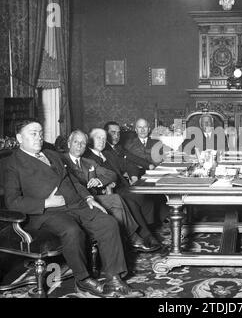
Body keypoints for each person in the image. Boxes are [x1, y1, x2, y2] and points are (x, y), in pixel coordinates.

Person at [3, 120, 142, 298]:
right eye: (33, 133)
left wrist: (89, 197)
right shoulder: (13, 164)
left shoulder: (51, 154)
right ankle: (83, 281)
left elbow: (73, 181)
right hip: (46, 213)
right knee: (72, 230)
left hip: (76, 204)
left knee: (108, 223)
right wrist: (46, 203)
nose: (39, 137)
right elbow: (12, 202)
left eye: (40, 132)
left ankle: (114, 280)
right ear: (19, 137)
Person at [61, 130, 148, 250]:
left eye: (83, 143)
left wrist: (99, 181)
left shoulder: (88, 162)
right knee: (116, 200)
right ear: (69, 143)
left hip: (94, 198)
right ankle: (132, 237)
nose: (79, 146)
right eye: (76, 142)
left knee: (117, 209)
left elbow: (111, 174)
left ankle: (126, 242)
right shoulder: (60, 160)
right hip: (76, 201)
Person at [83, 128, 161, 252]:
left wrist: (134, 175)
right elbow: (88, 182)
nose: (102, 141)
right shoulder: (87, 158)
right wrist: (108, 185)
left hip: (122, 186)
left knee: (145, 195)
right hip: (108, 192)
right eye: (98, 138)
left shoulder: (108, 153)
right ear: (90, 139)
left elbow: (128, 164)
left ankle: (147, 231)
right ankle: (146, 235)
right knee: (131, 202)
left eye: (104, 138)